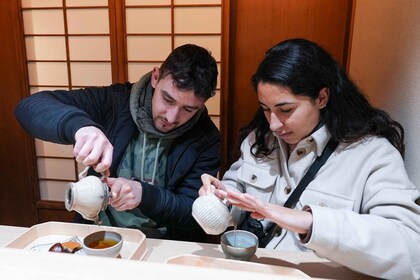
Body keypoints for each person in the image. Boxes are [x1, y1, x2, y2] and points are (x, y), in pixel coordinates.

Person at [199, 38, 420, 279]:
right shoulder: (259, 140)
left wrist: (309, 222)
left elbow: (411, 250)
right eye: (265, 108)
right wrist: (222, 199)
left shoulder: (371, 154)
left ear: (322, 97)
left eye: (285, 110)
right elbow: (236, 189)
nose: (273, 124)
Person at [16, 44, 220, 242]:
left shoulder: (206, 138)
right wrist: (80, 126)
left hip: (165, 243)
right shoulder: (114, 102)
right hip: (99, 230)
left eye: (188, 109)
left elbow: (192, 213)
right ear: (156, 77)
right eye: (168, 99)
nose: (172, 117)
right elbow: (29, 107)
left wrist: (144, 195)